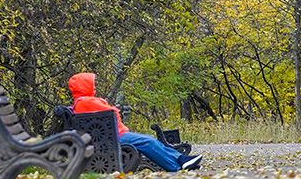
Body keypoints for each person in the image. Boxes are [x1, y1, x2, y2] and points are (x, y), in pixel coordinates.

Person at [67, 72, 201, 172]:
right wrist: (111, 107)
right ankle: (176, 165)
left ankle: (181, 161)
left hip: (112, 136)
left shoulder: (82, 101)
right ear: (84, 86)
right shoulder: (86, 101)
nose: (94, 87)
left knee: (149, 140)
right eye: (92, 84)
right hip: (115, 137)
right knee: (148, 142)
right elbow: (112, 112)